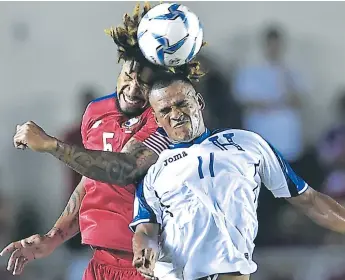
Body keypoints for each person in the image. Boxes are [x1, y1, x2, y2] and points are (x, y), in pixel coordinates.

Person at [1, 3, 204, 279]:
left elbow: (124, 168)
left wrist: (52, 145)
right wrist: (53, 237)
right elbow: (92, 179)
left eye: (144, 84)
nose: (132, 90)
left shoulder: (165, 119)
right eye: (128, 77)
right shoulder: (96, 112)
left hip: (153, 267)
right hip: (99, 263)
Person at [128, 75, 345, 280]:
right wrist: (144, 250)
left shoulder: (247, 143)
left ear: (199, 101)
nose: (175, 114)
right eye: (165, 110)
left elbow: (308, 199)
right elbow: (146, 229)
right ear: (156, 119)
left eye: (182, 103)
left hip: (231, 274)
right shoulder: (153, 172)